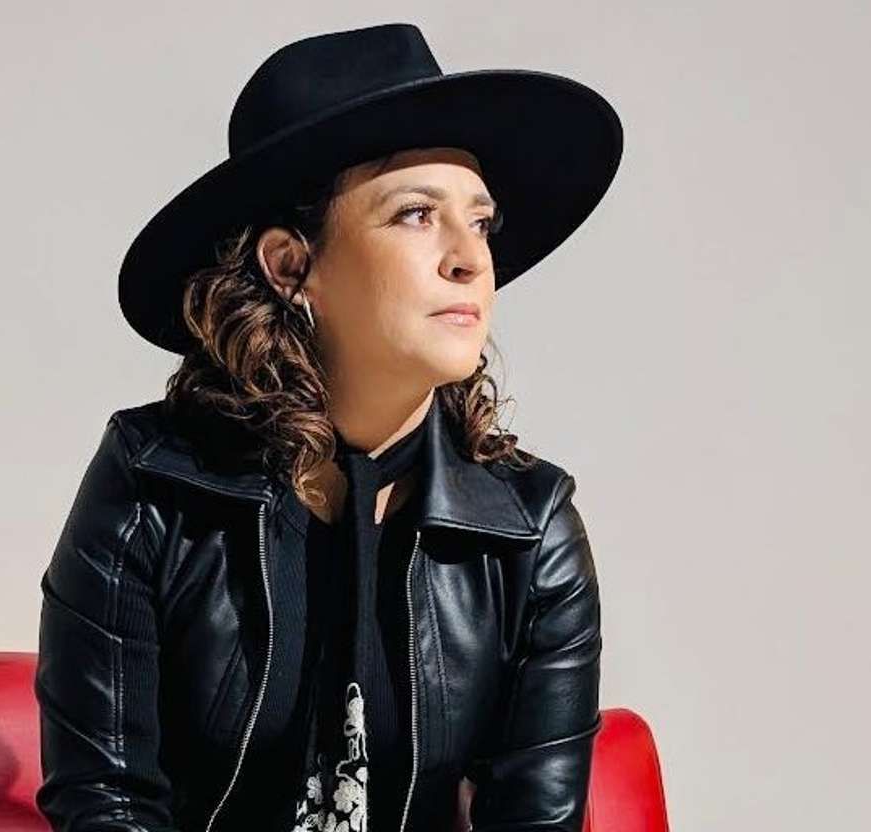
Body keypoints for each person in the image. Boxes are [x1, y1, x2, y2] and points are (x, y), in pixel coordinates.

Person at [33, 22, 623, 832]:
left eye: (481, 222)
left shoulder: (530, 531)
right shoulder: (151, 485)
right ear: (290, 265)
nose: (470, 258)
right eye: (416, 214)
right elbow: (106, 803)